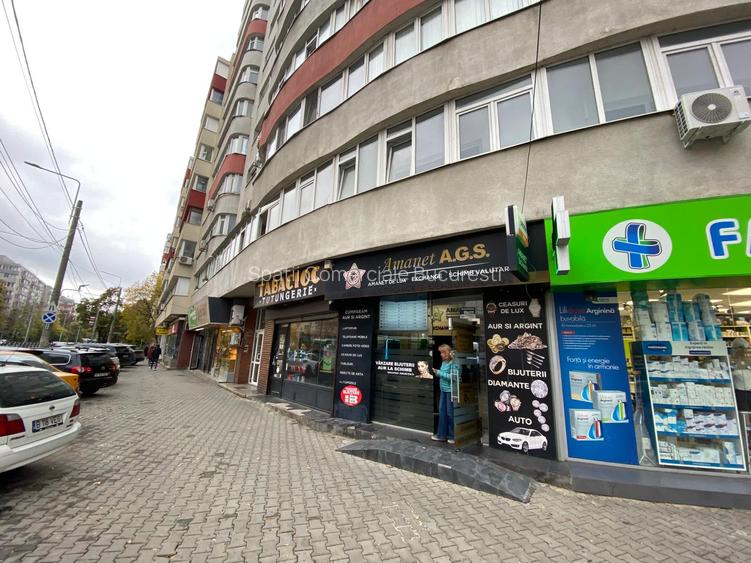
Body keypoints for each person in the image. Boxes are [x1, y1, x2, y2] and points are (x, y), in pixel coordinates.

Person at [432, 344, 460, 444]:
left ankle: (453, 436)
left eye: (442, 352)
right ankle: (442, 435)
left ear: (447, 353)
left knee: (450, 413)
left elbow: (454, 377)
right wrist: (438, 372)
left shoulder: (454, 362)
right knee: (442, 412)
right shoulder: (444, 362)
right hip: (443, 390)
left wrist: (439, 373)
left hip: (451, 391)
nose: (440, 354)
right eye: (440, 352)